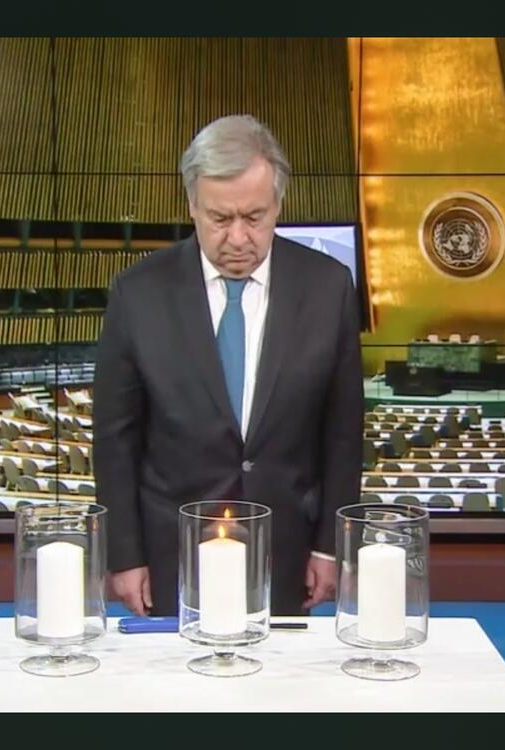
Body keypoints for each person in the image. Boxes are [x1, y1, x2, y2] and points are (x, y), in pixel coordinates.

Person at [92, 114, 364, 616]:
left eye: (254, 217)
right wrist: (124, 555)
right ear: (192, 206)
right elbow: (115, 440)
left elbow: (343, 435)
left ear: (278, 205)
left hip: (288, 550)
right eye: (220, 219)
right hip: (171, 551)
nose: (238, 238)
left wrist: (331, 546)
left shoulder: (328, 288)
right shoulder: (138, 293)